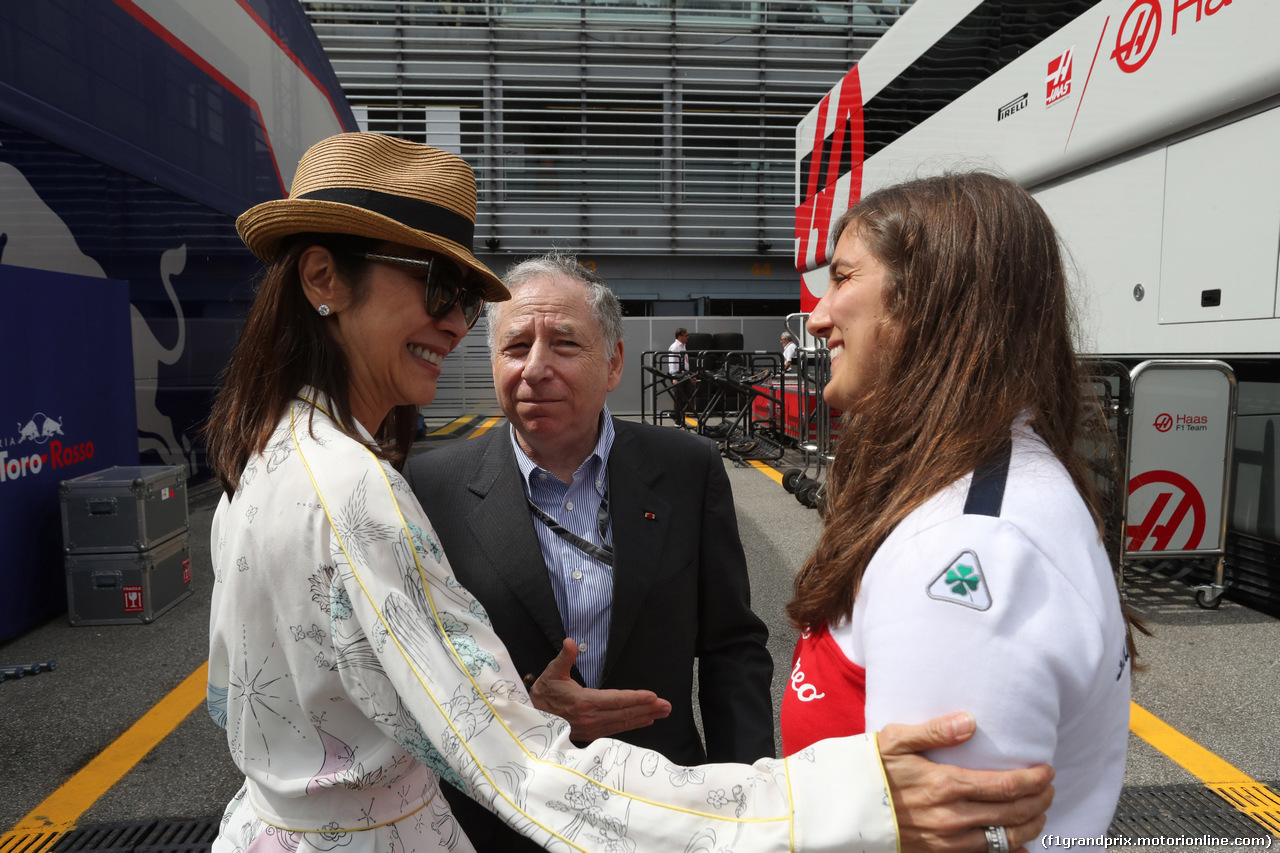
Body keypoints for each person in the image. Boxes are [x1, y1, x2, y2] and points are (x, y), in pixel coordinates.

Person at [203, 132, 1054, 853]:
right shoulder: (361, 487)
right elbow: (521, 764)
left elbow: (255, 700)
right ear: (322, 277)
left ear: (615, 362)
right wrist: (834, 803)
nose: (457, 324)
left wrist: (495, 704)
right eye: (437, 288)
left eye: (464, 297)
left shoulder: (269, 459)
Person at [780, 171, 1132, 842]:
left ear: (930, 304)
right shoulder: (972, 482)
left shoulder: (963, 546)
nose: (819, 315)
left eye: (845, 278)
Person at [404, 254, 774, 852]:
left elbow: (731, 647)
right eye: (515, 346)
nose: (535, 368)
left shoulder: (686, 469)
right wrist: (528, 706)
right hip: (501, 815)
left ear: (615, 363)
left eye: (565, 344)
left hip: (662, 806)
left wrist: (749, 805)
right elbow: (415, 666)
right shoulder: (432, 486)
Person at [666, 326, 695, 421]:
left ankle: (675, 414)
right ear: (680, 336)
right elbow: (673, 362)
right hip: (678, 375)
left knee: (687, 394)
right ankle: (677, 418)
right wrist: (674, 377)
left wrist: (689, 375)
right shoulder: (675, 347)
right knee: (679, 397)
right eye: (686, 335)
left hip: (683, 374)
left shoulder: (682, 346)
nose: (687, 337)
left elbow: (684, 362)